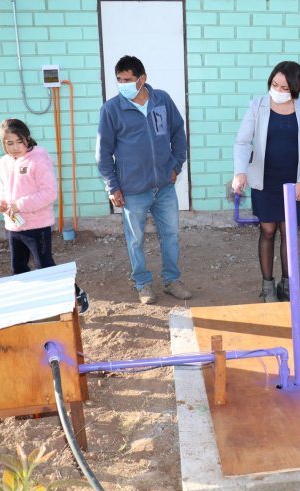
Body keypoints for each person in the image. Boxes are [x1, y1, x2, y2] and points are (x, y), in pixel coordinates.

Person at [97, 55, 191, 305]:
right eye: (119, 80)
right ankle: (143, 283)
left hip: (165, 186)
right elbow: (103, 152)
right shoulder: (111, 109)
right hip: (133, 190)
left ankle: (172, 280)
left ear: (142, 79)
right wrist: (113, 186)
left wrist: (176, 165)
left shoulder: (162, 100)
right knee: (135, 239)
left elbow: (178, 134)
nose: (123, 84)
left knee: (170, 234)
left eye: (127, 79)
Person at [232, 61, 300, 302]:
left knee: (288, 231)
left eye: (285, 88)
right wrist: (240, 172)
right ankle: (267, 286)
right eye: (275, 85)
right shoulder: (257, 106)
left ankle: (287, 285)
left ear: (295, 88)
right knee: (268, 230)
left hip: (294, 183)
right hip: (265, 179)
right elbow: (242, 143)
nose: (279, 91)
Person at [0, 118, 89, 314]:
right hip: (14, 226)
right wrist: (0, 204)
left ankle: (78, 294)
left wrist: (19, 205)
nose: (15, 147)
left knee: (45, 266)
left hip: (37, 225)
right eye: (9, 143)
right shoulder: (3, 163)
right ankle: (31, 306)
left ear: (27, 138)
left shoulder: (39, 159)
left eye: (19, 141)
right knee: (18, 268)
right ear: (3, 144)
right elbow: (1, 189)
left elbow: (48, 193)